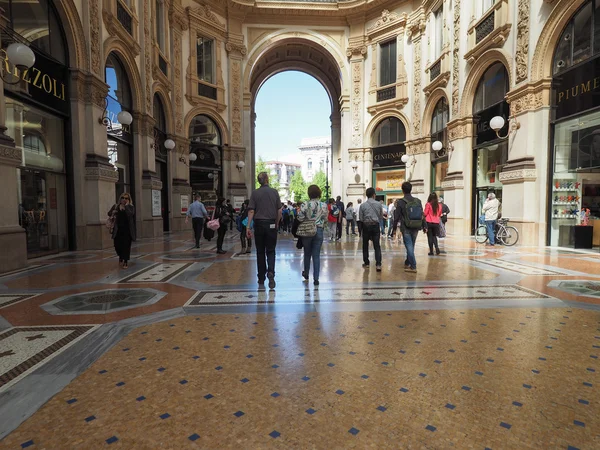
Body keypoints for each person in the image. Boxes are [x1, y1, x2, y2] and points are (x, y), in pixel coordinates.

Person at [247, 172, 283, 289]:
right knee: (271, 251)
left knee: (260, 252)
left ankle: (261, 277)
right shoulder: (274, 192)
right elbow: (279, 211)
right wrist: (276, 223)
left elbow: (251, 211)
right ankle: (271, 272)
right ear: (267, 179)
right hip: (271, 224)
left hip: (259, 225)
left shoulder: (255, 193)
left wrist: (248, 226)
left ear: (259, 181)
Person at [298, 184, 328, 286]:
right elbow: (325, 218)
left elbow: (300, 218)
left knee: (307, 253)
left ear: (309, 193)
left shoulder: (304, 205)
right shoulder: (323, 205)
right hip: (318, 230)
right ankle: (316, 278)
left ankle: (306, 273)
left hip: (307, 231)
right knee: (316, 255)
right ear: (319, 193)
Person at [394, 182, 424, 273]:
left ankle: (413, 266)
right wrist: (424, 226)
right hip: (416, 226)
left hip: (406, 227)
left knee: (409, 246)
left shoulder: (401, 202)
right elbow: (422, 215)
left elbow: (396, 217)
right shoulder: (418, 201)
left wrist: (394, 230)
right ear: (411, 189)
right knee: (411, 246)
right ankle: (407, 262)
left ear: (402, 190)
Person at [108, 193, 136, 269]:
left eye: (126, 198)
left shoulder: (131, 207)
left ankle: (125, 262)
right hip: (118, 230)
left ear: (129, 200)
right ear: (120, 198)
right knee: (117, 245)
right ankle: (120, 256)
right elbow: (109, 213)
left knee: (126, 246)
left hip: (127, 231)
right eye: (123, 198)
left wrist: (126, 206)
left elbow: (130, 214)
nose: (124, 199)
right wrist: (112, 212)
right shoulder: (116, 206)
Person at [360, 188, 384, 272]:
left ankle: (366, 262)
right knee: (377, 245)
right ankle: (378, 264)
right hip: (375, 226)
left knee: (365, 244)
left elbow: (361, 218)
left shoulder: (362, 205)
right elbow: (381, 217)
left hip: (366, 226)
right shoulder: (378, 204)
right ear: (374, 194)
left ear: (366, 195)